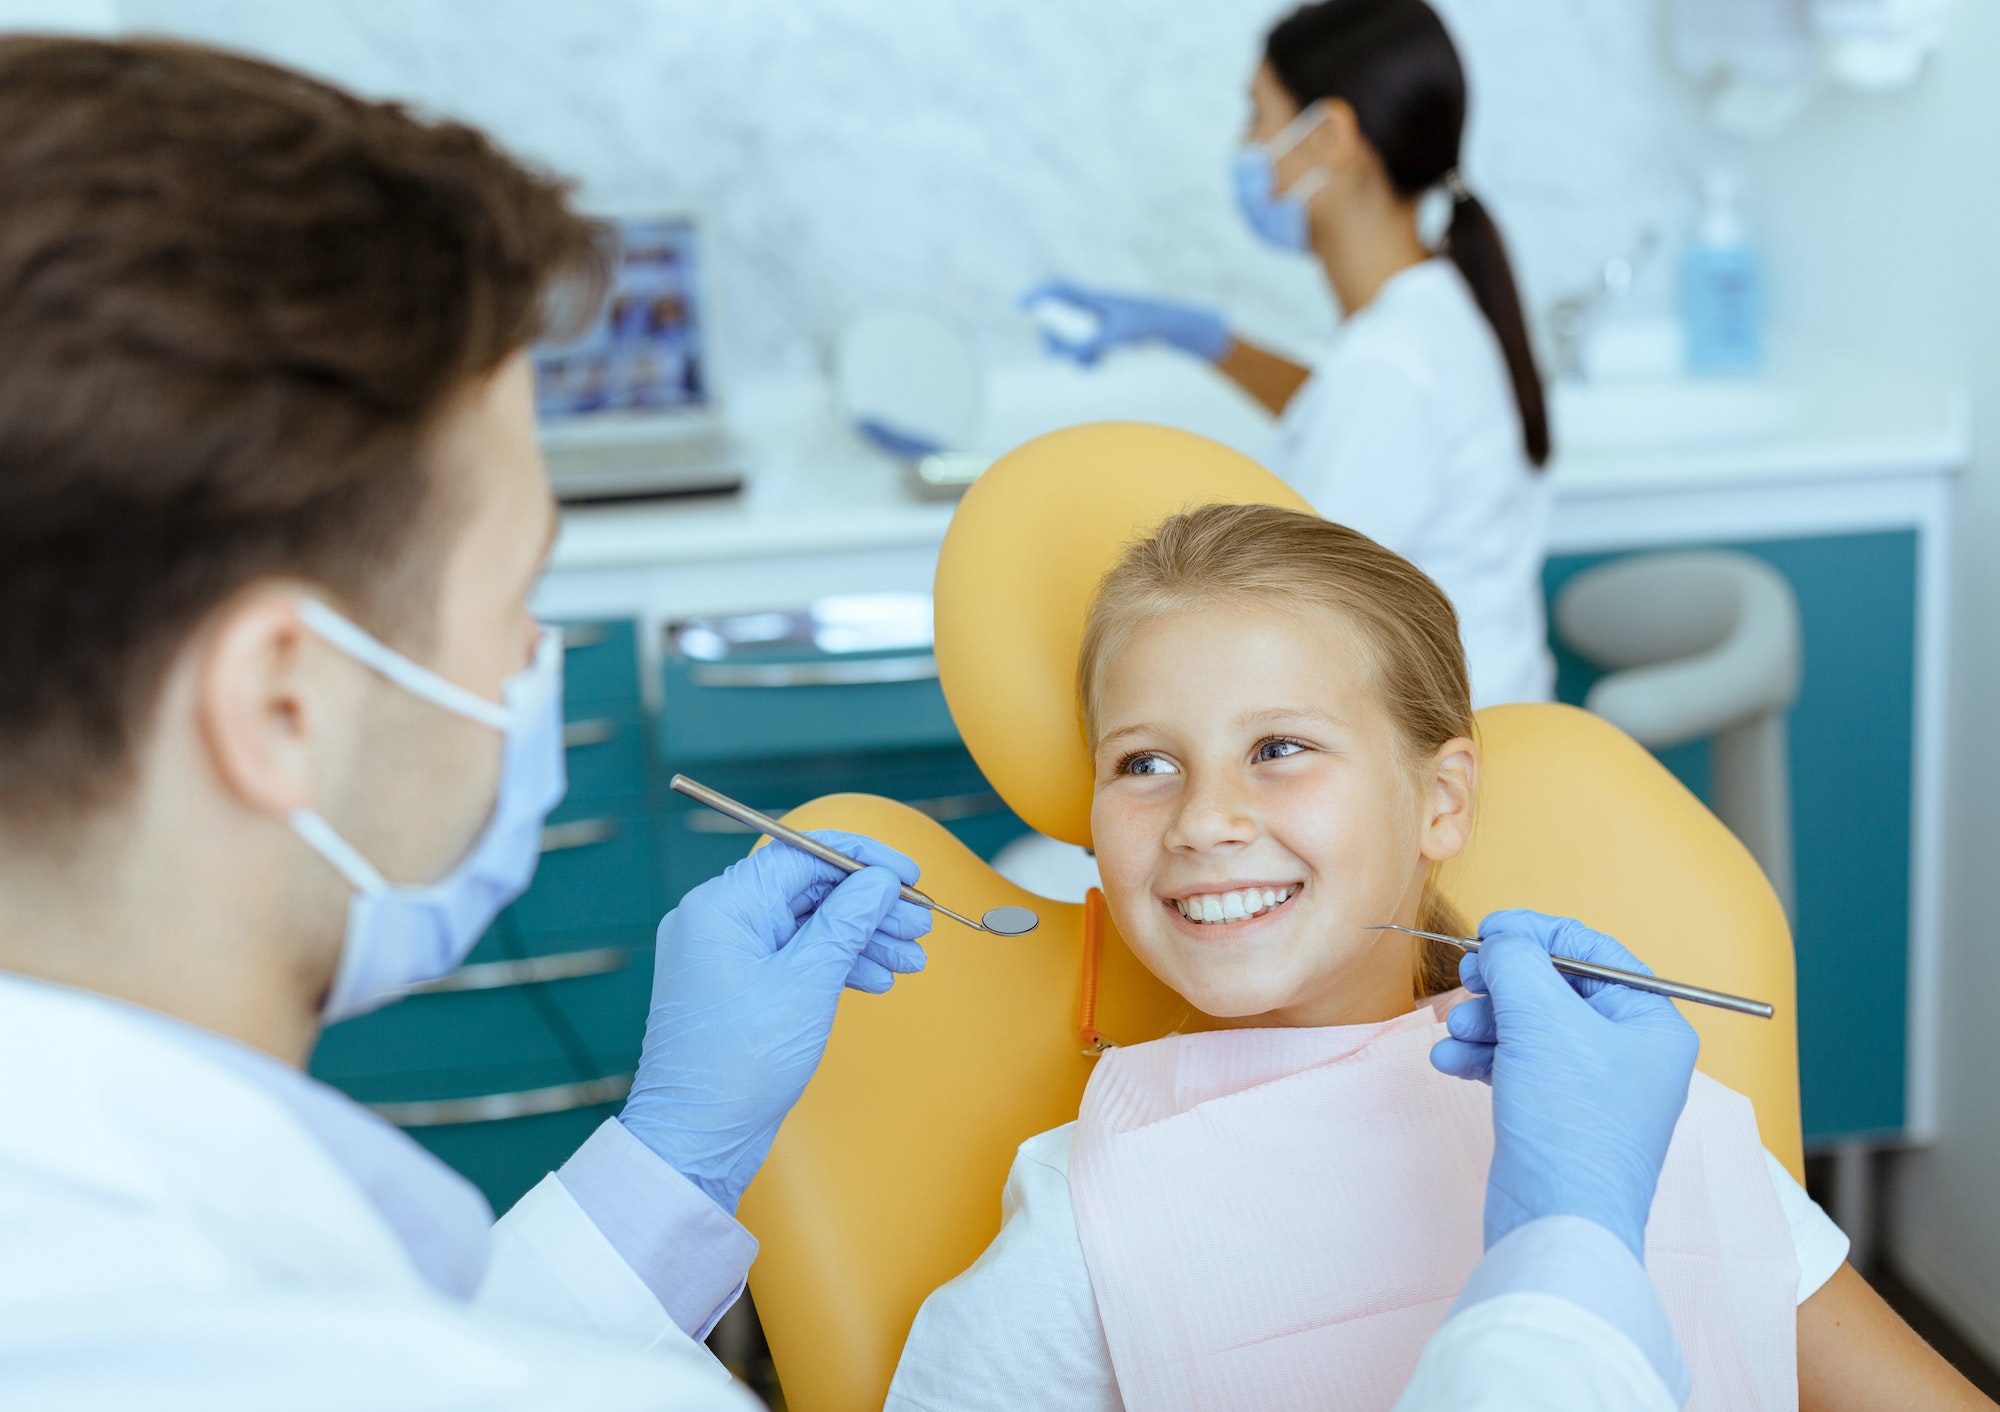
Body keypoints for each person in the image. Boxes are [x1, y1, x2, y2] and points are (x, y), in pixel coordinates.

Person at [887, 504, 1989, 1410]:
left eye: (1277, 747)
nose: (1202, 818)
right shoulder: (1093, 1216)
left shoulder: (1620, 1114)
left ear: (1440, 799)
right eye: (1142, 762)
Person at [1026, 0, 1553, 709]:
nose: (1247, 146)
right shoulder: (1429, 312)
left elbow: (1288, 621)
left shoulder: (1387, 365)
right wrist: (1209, 340)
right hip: (1488, 732)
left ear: (1329, 134)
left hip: (1439, 774)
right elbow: (1340, 407)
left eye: (1257, 117)